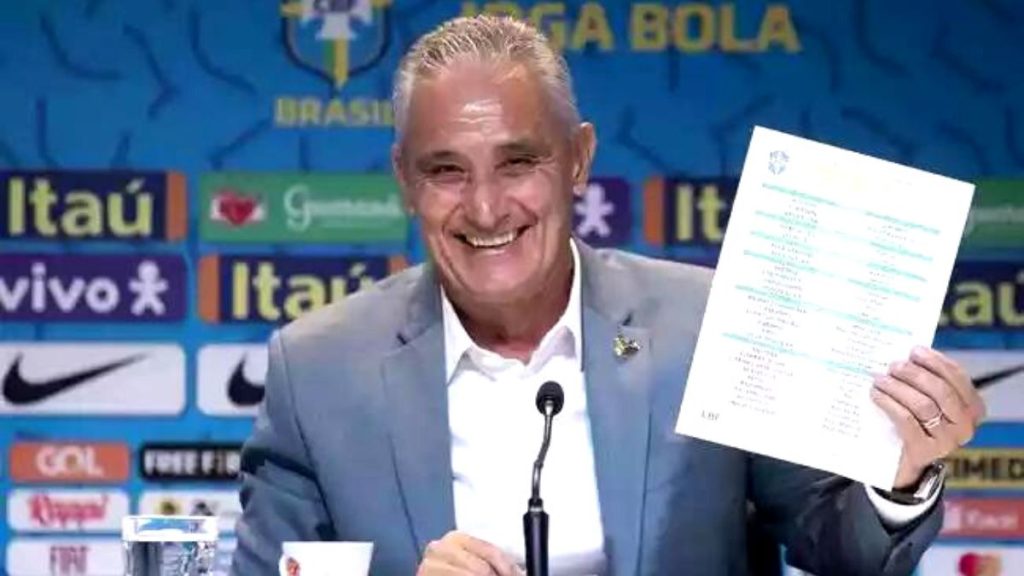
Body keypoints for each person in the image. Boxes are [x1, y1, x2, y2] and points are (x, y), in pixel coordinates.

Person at [231, 14, 985, 576]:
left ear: (578, 159)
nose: (485, 209)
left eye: (517, 163)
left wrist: (902, 474)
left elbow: (841, 549)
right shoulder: (319, 370)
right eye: (446, 171)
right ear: (405, 180)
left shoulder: (707, 326)